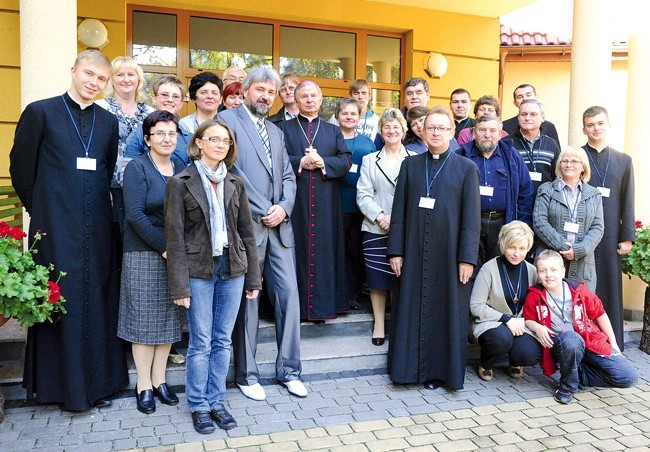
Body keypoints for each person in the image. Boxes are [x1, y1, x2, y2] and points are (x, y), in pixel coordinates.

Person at [9, 50, 127, 411]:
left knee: (95, 301)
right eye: (89, 74)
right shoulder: (40, 112)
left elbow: (105, 171)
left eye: (101, 79)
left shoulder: (108, 122)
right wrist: (44, 209)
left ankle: (98, 386)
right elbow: (21, 169)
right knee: (63, 303)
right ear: (74, 70)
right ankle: (62, 389)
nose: (94, 82)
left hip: (97, 230)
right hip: (55, 228)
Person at [165, 119, 261, 433]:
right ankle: (199, 404)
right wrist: (179, 284)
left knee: (222, 341)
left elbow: (247, 233)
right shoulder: (181, 182)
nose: (220, 145)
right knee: (201, 342)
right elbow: (175, 237)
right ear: (200, 142)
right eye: (214, 139)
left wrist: (253, 278)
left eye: (225, 141)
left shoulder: (235, 182)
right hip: (199, 271)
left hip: (232, 269)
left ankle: (216, 400)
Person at [218, 67, 308, 401]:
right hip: (248, 228)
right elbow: (231, 171)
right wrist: (264, 209)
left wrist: (283, 207)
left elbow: (287, 174)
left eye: (271, 92)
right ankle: (246, 373)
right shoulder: (227, 120)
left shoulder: (276, 130)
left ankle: (290, 370)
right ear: (245, 90)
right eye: (260, 90)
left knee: (288, 297)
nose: (265, 97)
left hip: (280, 228)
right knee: (248, 301)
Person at [387, 106, 480, 390]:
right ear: (422, 132)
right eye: (431, 128)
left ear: (452, 133)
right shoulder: (410, 165)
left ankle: (441, 373)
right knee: (411, 308)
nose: (436, 133)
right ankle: (407, 371)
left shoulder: (466, 168)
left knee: (445, 311)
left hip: (449, 255)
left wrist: (467, 258)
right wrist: (396, 251)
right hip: (413, 252)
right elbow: (399, 210)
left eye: (442, 128)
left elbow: (471, 219)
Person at [118, 110, 183, 415]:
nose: (167, 138)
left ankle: (160, 380)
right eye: (160, 133)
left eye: (172, 133)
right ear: (147, 139)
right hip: (143, 251)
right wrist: (164, 249)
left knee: (168, 319)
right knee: (144, 320)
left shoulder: (182, 166)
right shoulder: (137, 168)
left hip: (174, 250)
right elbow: (135, 216)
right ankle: (143, 383)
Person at [278, 80, 352, 321]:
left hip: (326, 205)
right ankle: (297, 309)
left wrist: (323, 164)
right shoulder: (283, 128)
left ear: (321, 101)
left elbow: (346, 161)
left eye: (314, 96)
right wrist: (300, 161)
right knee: (295, 252)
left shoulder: (332, 130)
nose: (309, 100)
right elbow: (275, 160)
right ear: (295, 101)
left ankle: (323, 308)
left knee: (325, 253)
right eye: (304, 97)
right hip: (295, 203)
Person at [523, 250, 637, 405]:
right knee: (571, 339)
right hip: (561, 345)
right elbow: (528, 319)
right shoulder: (535, 295)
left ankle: (578, 376)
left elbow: (600, 314)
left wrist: (614, 343)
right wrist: (537, 327)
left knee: (628, 377)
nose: (548, 275)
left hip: (590, 341)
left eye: (553, 270)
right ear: (538, 273)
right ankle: (567, 386)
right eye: (543, 271)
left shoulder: (579, 291)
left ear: (563, 271)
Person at [356, 108, 415, 345]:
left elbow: (417, 196)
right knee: (378, 280)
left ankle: (400, 325)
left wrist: (398, 220)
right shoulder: (370, 160)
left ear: (404, 130)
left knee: (401, 278)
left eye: (396, 127)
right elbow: (362, 194)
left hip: (405, 230)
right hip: (375, 228)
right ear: (381, 131)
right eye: (387, 127)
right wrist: (381, 216)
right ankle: (379, 324)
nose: (391, 131)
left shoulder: (414, 160)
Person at [582, 106, 635, 350]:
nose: (596, 128)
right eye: (591, 124)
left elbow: (627, 200)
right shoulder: (578, 156)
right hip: (583, 232)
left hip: (612, 232)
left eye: (600, 123)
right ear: (584, 128)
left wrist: (627, 238)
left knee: (610, 288)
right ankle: (584, 342)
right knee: (584, 286)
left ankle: (613, 345)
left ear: (608, 125)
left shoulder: (623, 161)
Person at [457, 115, 534, 265]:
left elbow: (526, 193)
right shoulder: (461, 156)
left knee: (498, 270)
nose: (487, 134)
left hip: (502, 224)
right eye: (482, 130)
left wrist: (519, 227)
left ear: (500, 134)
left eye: (493, 130)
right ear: (474, 132)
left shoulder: (512, 156)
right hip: (470, 225)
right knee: (470, 268)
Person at [469, 221, 541, 381]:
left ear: (528, 247)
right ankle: (486, 363)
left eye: (522, 248)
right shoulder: (489, 269)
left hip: (521, 325)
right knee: (501, 339)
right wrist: (506, 319)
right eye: (512, 247)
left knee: (529, 353)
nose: (516, 253)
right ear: (503, 245)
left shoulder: (532, 271)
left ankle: (516, 361)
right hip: (492, 323)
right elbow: (475, 306)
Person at [533, 147, 604, 291]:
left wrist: (579, 249)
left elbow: (598, 227)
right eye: (564, 161)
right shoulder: (546, 190)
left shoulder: (594, 194)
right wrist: (564, 247)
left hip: (582, 262)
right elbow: (539, 221)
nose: (568, 164)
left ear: (583, 166)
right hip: (550, 260)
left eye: (574, 161)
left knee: (580, 306)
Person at [96, 56, 153, 232]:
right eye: (120, 75)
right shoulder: (101, 108)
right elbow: (97, 151)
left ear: (139, 79)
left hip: (144, 186)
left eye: (131, 74)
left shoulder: (150, 113)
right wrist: (103, 189)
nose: (126, 79)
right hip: (112, 188)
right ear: (111, 80)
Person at [335, 98, 376, 311]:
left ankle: (352, 293)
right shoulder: (330, 139)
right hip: (335, 206)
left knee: (355, 253)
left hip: (360, 208)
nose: (349, 117)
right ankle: (337, 293)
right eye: (345, 113)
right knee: (337, 252)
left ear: (359, 118)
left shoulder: (367, 143)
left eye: (353, 114)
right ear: (337, 116)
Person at [124, 75, 192, 168]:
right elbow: (128, 172)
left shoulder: (188, 139)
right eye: (164, 95)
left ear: (181, 103)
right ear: (154, 98)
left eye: (175, 96)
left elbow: (191, 176)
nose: (170, 100)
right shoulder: (138, 135)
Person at [510, 99, 561, 192]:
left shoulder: (551, 144)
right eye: (523, 114)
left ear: (543, 118)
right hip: (516, 203)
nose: (527, 118)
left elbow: (558, 177)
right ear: (518, 117)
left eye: (533, 114)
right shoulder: (507, 144)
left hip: (545, 203)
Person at [373, 77, 429, 150]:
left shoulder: (435, 118)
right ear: (405, 98)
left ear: (428, 95)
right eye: (410, 93)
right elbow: (377, 150)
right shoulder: (391, 119)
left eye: (419, 93)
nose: (414, 97)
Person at [502, 83, 561, 148]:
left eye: (528, 95)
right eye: (520, 96)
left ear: (536, 97)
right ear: (515, 103)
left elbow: (557, 156)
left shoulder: (549, 127)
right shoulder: (505, 125)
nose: (525, 98)